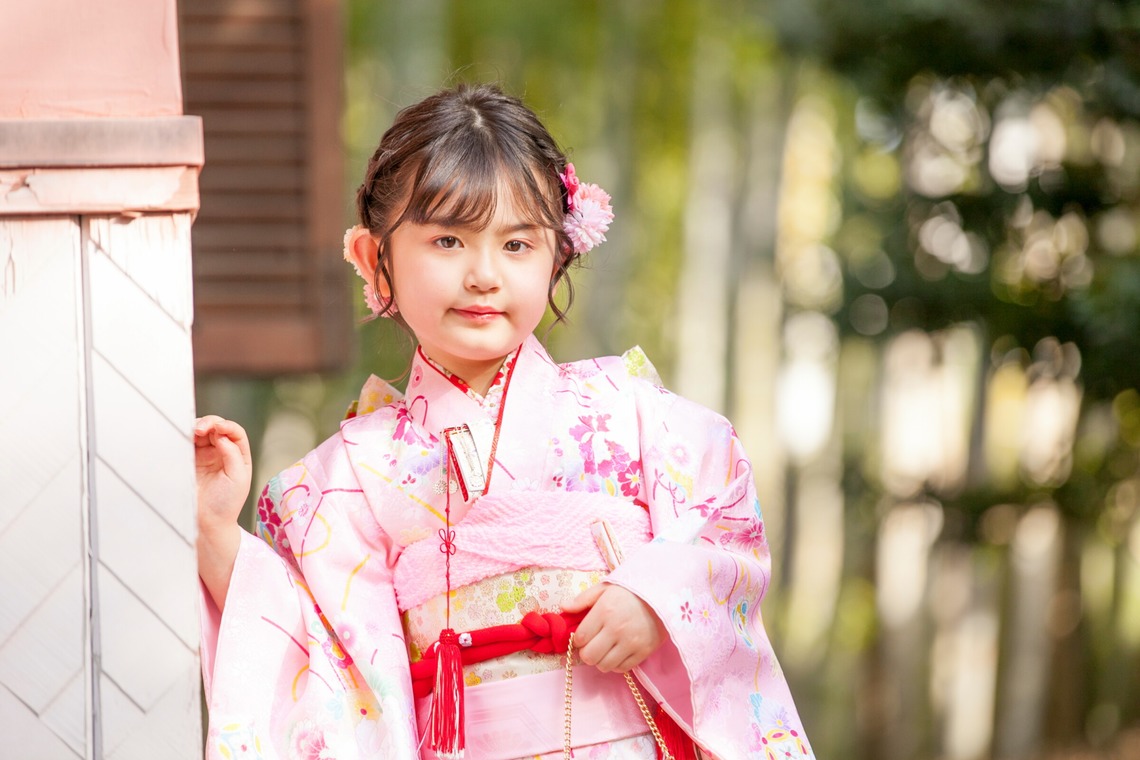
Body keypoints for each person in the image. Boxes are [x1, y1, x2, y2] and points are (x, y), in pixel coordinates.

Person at [195, 82, 815, 760]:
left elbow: (724, 519)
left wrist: (660, 598)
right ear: (378, 259)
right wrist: (211, 528)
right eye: (448, 241)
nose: (484, 275)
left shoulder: (631, 415)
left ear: (560, 253)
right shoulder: (349, 474)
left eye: (517, 245)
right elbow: (314, 641)